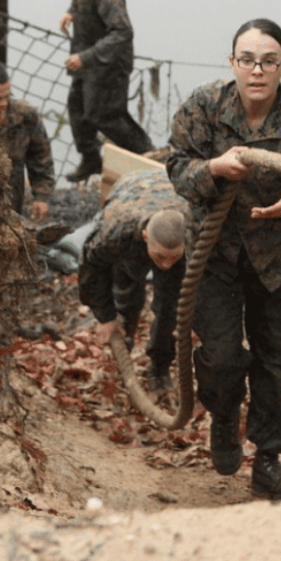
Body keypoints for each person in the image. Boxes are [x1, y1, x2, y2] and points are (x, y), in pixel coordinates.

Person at [165, 18, 281, 500]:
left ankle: (269, 461)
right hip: (213, 256)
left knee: (278, 362)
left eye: (268, 62)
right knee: (218, 356)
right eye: (247, 60)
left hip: (277, 260)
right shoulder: (204, 105)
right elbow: (175, 166)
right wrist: (214, 168)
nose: (257, 71)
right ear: (232, 62)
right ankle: (222, 413)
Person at [78, 168, 188, 393]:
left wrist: (199, 321)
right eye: (160, 256)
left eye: (172, 257)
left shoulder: (195, 225)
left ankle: (159, 367)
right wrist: (105, 317)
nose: (165, 265)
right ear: (146, 236)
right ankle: (124, 339)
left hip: (171, 195)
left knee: (170, 308)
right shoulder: (116, 229)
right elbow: (92, 270)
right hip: (133, 190)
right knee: (127, 289)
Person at [59, 0, 154, 182]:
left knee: (106, 116)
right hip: (86, 58)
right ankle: (91, 159)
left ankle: (149, 155)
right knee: (77, 109)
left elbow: (122, 31)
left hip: (109, 63)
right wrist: (72, 12)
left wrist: (86, 57)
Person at [0, 59, 56, 222]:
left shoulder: (24, 116)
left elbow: (41, 158)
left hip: (10, 207)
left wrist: (41, 196)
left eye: (7, 96)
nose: (4, 103)